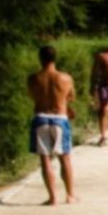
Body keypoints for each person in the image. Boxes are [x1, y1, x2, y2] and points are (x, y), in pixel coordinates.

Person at [28, 45, 79, 205]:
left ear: (40, 58)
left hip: (40, 117)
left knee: (45, 159)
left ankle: (52, 197)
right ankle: (70, 195)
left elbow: (32, 96)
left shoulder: (33, 78)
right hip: (59, 118)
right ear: (55, 58)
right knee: (65, 158)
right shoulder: (65, 78)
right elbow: (71, 96)